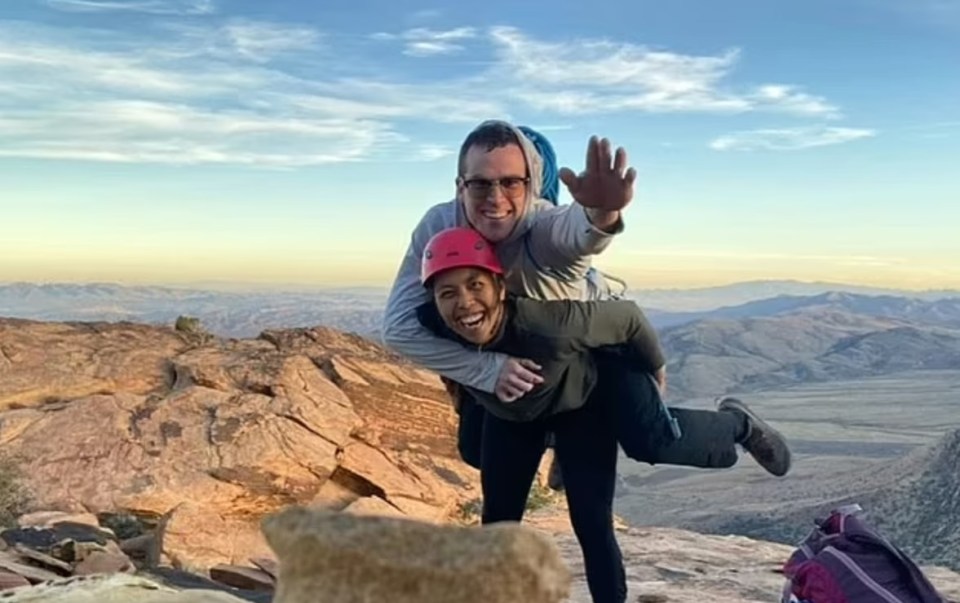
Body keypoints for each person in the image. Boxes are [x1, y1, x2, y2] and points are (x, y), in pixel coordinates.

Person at [414, 226, 792, 603]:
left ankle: (738, 424)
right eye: (448, 293)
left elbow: (627, 317)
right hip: (515, 415)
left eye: (476, 285)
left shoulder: (550, 325)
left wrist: (656, 370)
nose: (464, 301)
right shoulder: (434, 324)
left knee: (593, 524)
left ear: (501, 287)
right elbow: (408, 329)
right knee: (497, 518)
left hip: (583, 407)